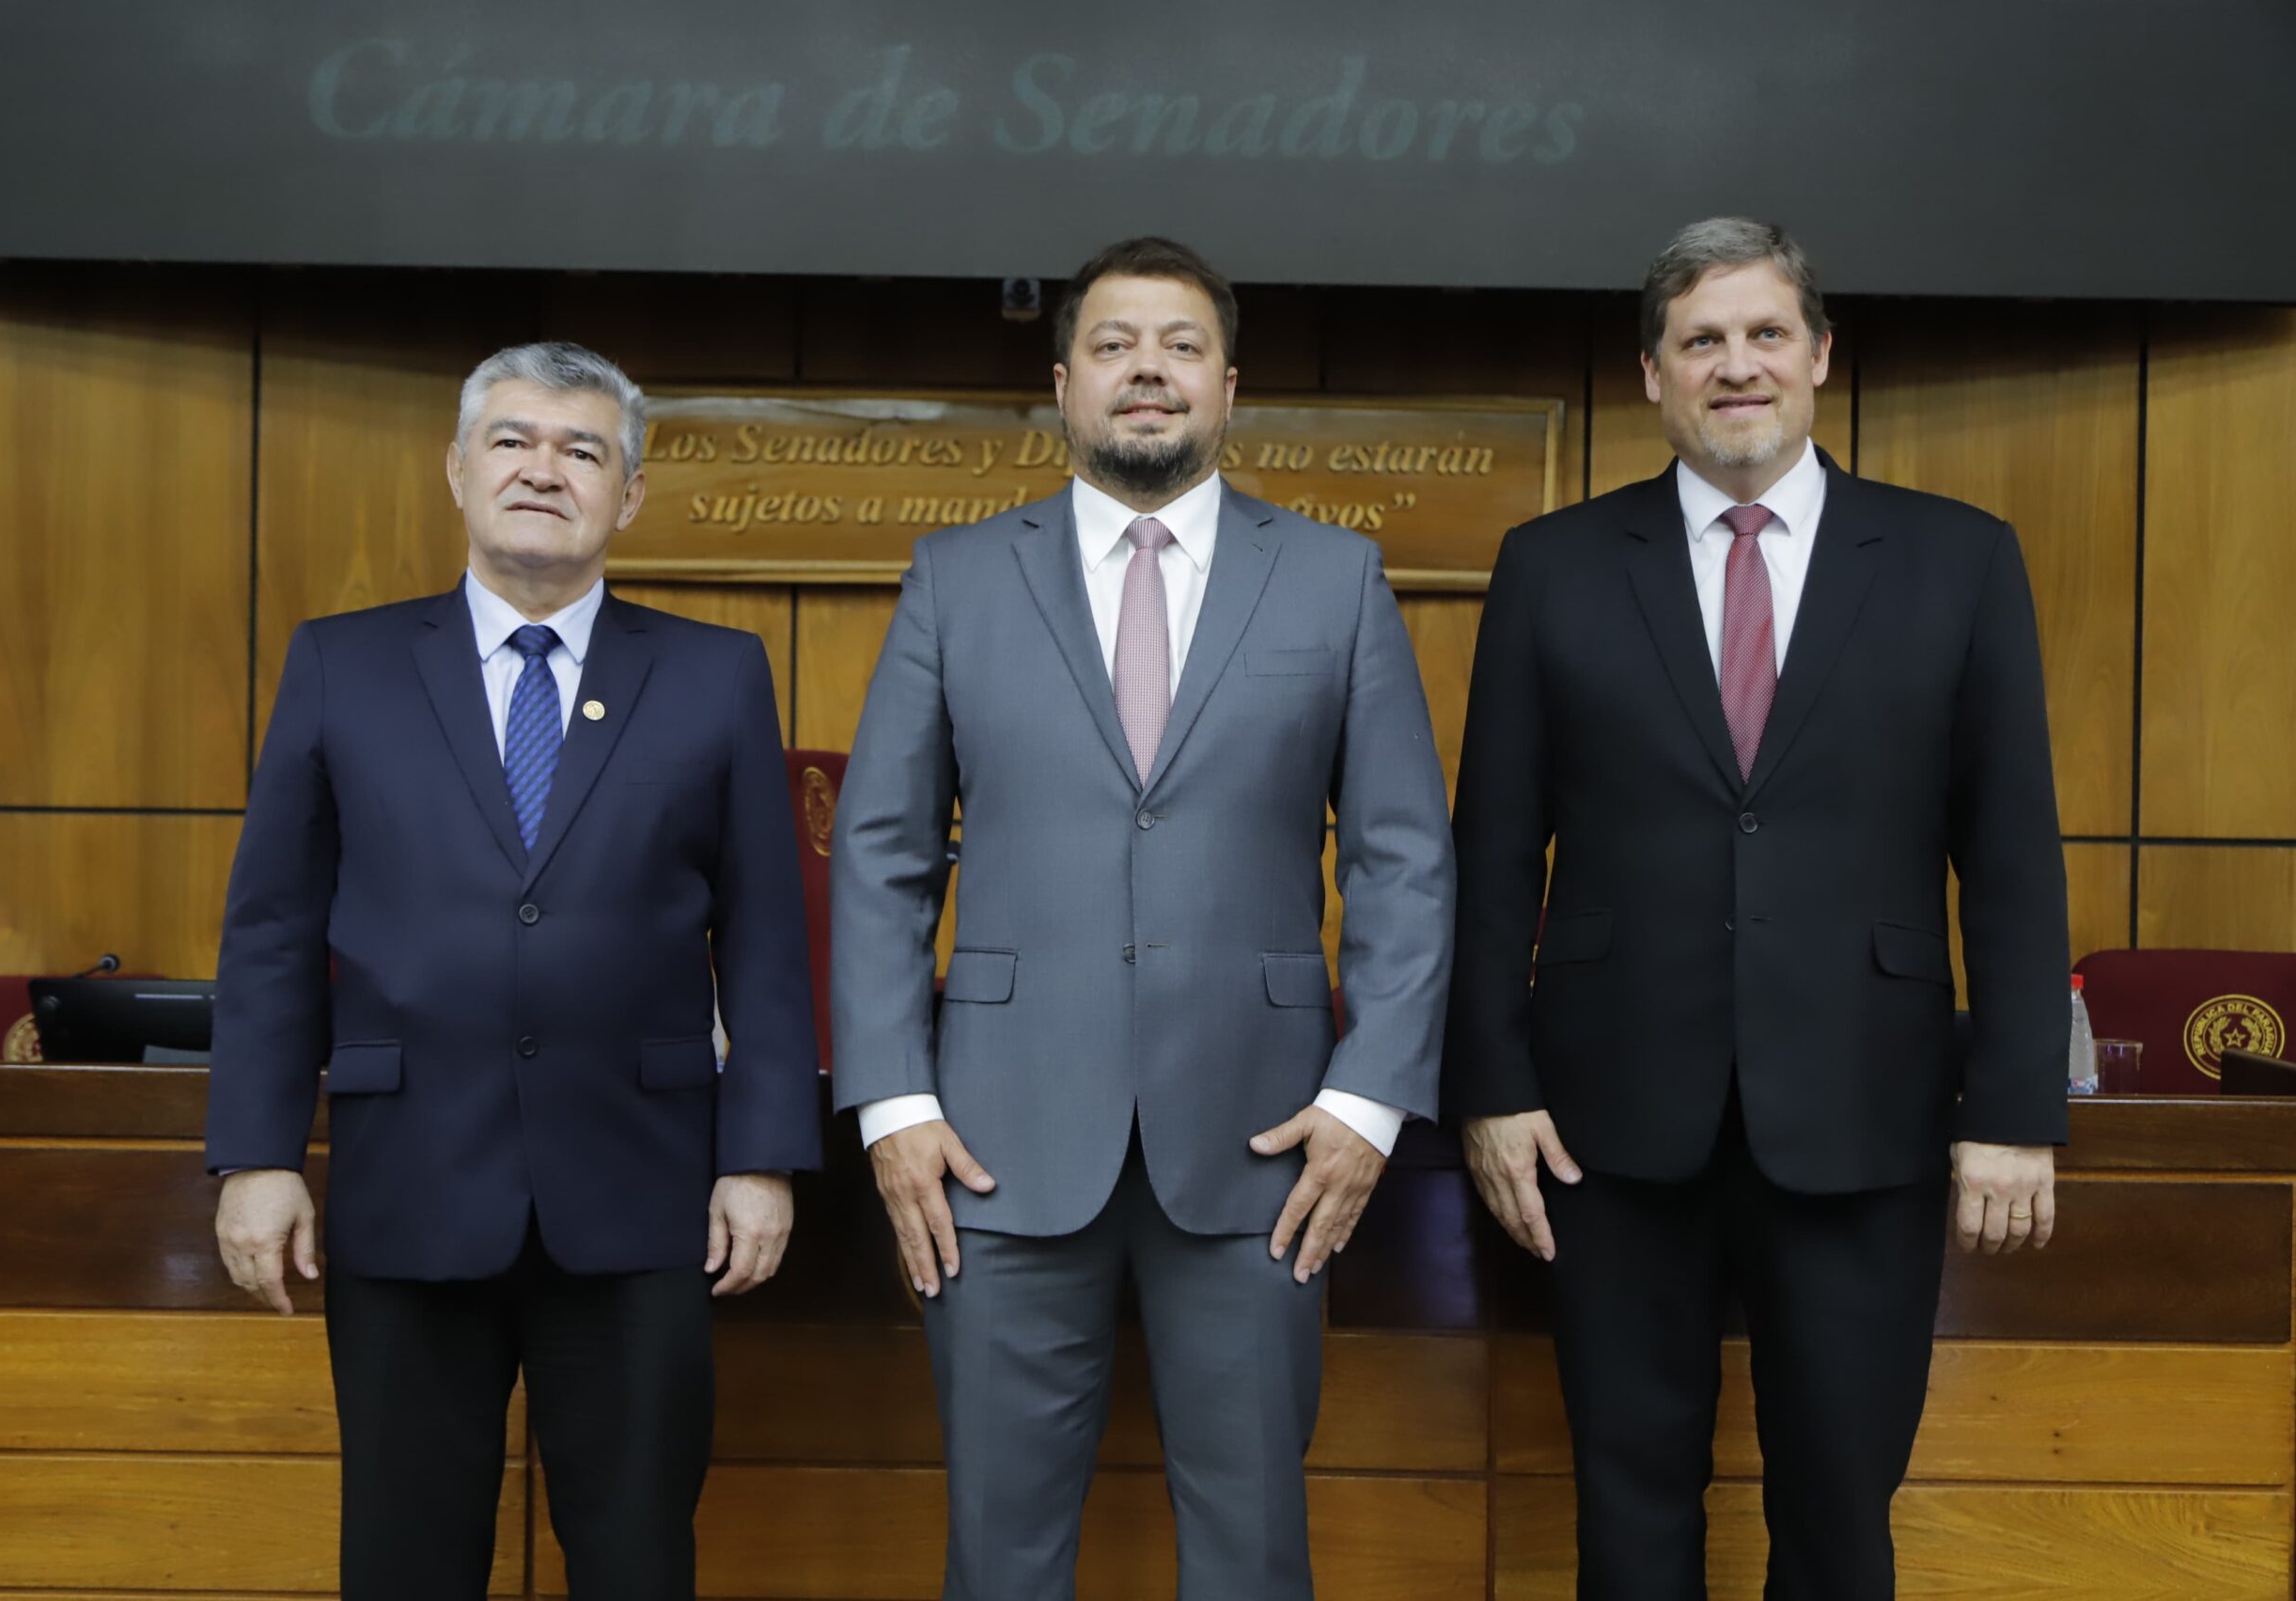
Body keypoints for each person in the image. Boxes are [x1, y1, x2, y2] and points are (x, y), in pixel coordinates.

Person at [1445, 217, 2070, 1598]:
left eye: (1765, 334)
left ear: (1821, 357)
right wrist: (1487, 1082)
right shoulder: (1553, 564)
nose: (1738, 366)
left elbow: (2013, 853)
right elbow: (1491, 851)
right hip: (1604, 1129)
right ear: (1652, 377)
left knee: (1842, 1515)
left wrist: (2017, 1108)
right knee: (1628, 1511)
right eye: (1703, 341)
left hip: (1868, 1111)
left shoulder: (1958, 561)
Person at [831, 237, 1455, 1599]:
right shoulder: (957, 577)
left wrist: (1370, 1098)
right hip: (987, 1153)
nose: (1148, 372)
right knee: (1001, 1556)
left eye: (1179, 345)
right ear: (1064, 384)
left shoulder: (1337, 582)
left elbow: (1406, 858)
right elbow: (882, 853)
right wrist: (891, 1103)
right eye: (1115, 345)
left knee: (1251, 1554)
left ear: (1229, 385)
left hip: (1266, 1153)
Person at [205, 340, 822, 1600]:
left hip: (643, 1192)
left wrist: (761, 1156)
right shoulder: (342, 663)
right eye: (513, 441)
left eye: (583, 450)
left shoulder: (714, 675)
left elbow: (765, 932)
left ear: (629, 496)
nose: (545, 470)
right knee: (406, 1559)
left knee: (636, 1560)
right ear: (457, 470)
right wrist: (257, 1156)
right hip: (409, 1179)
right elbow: (273, 932)